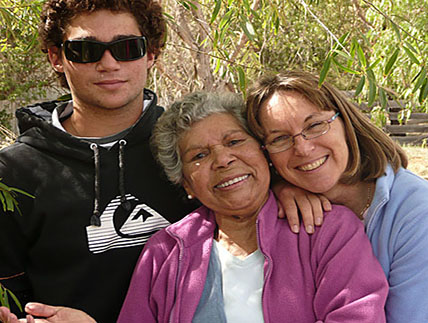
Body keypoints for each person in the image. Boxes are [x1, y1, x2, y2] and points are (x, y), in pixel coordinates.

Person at [0, 1, 196, 322]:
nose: (109, 63)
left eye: (127, 47)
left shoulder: (192, 147)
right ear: (56, 58)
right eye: (86, 50)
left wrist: (294, 191)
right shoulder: (12, 174)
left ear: (151, 54)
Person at [117, 91, 388, 322]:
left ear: (264, 153)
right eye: (199, 155)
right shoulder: (165, 252)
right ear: (186, 184)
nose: (223, 159)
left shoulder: (327, 229)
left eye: (234, 141)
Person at [245, 70, 428, 323]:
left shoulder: (424, 215)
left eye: (314, 125)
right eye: (279, 138)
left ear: (345, 122)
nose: (302, 148)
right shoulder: (276, 208)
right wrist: (277, 188)